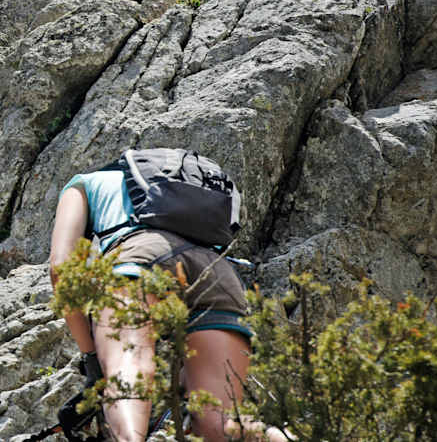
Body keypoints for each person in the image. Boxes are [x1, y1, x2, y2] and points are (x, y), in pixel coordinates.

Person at [48, 158, 286, 442]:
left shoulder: (84, 184)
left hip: (142, 256)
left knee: (130, 371)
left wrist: (92, 359)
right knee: (219, 422)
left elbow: (60, 268)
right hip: (218, 273)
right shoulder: (196, 198)